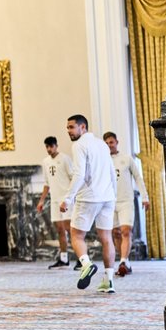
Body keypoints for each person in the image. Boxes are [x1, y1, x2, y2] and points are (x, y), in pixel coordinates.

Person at [60, 114, 118, 293]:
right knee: (106, 238)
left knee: (76, 235)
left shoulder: (79, 145)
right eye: (68, 127)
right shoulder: (102, 144)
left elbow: (78, 174)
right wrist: (113, 195)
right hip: (107, 197)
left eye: (71, 127)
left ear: (82, 127)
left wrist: (68, 198)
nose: (68, 131)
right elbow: (111, 171)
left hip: (89, 197)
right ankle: (108, 282)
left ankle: (86, 264)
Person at [103, 131, 150, 278]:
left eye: (111, 142)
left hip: (126, 201)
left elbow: (138, 177)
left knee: (125, 231)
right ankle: (125, 261)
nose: (109, 145)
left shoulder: (126, 159)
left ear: (116, 142)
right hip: (110, 202)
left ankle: (123, 261)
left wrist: (145, 197)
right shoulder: (102, 161)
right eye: (106, 143)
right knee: (116, 233)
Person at [36, 136, 77, 269]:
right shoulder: (46, 162)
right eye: (47, 147)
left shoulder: (65, 159)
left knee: (69, 229)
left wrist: (71, 197)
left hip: (66, 200)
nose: (49, 149)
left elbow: (73, 178)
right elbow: (47, 183)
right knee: (59, 229)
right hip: (54, 200)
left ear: (56, 146)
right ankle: (64, 258)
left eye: (51, 146)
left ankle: (81, 258)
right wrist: (42, 200)